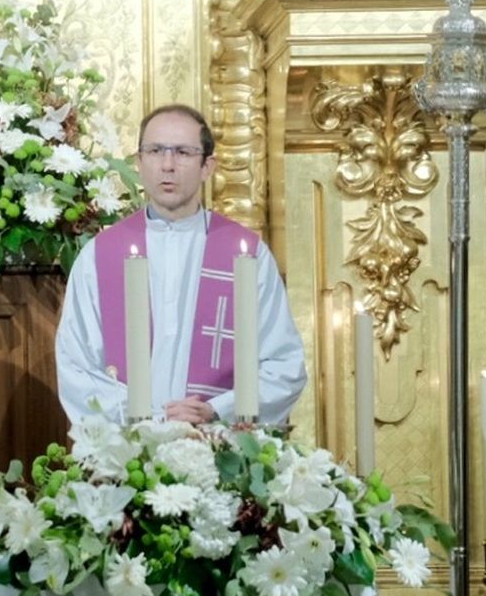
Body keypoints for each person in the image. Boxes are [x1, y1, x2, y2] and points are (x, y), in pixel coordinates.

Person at [56, 105, 306, 426]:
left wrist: (218, 409)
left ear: (207, 166)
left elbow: (284, 366)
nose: (168, 165)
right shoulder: (99, 256)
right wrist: (151, 419)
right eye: (155, 151)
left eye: (183, 152)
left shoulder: (246, 256)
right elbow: (76, 367)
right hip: (131, 446)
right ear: (139, 162)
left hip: (218, 442)